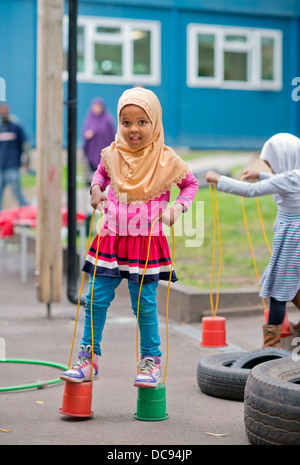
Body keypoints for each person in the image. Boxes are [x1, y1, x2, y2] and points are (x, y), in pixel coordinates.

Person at [61, 87, 198, 387]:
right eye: (126, 122)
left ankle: (151, 361)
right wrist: (96, 189)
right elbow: (100, 174)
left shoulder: (167, 159)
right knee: (94, 299)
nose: (133, 129)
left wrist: (178, 207)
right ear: (119, 123)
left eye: (141, 121)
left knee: (144, 306)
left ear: (155, 122)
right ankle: (88, 358)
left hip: (145, 242)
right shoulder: (112, 153)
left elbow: (190, 185)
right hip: (110, 238)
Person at [205, 133, 300, 348]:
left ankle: (271, 345)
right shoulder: (295, 175)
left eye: (272, 164)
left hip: (292, 242)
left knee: (278, 290)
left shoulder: (289, 178)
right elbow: (280, 181)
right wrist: (260, 174)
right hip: (294, 239)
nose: (272, 169)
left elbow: (251, 190)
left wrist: (220, 180)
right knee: (294, 283)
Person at [0, 103, 29, 211]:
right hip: (1, 165)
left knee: (17, 192)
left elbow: (25, 145)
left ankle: (27, 210)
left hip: (12, 165)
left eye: (4, 109)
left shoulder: (16, 126)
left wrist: (26, 161)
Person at [81, 97, 115, 182]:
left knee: (102, 169)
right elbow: (84, 129)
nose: (95, 108)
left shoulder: (107, 119)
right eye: (94, 106)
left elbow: (109, 135)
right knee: (91, 171)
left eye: (97, 106)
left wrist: (95, 132)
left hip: (102, 149)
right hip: (91, 149)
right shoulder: (90, 118)